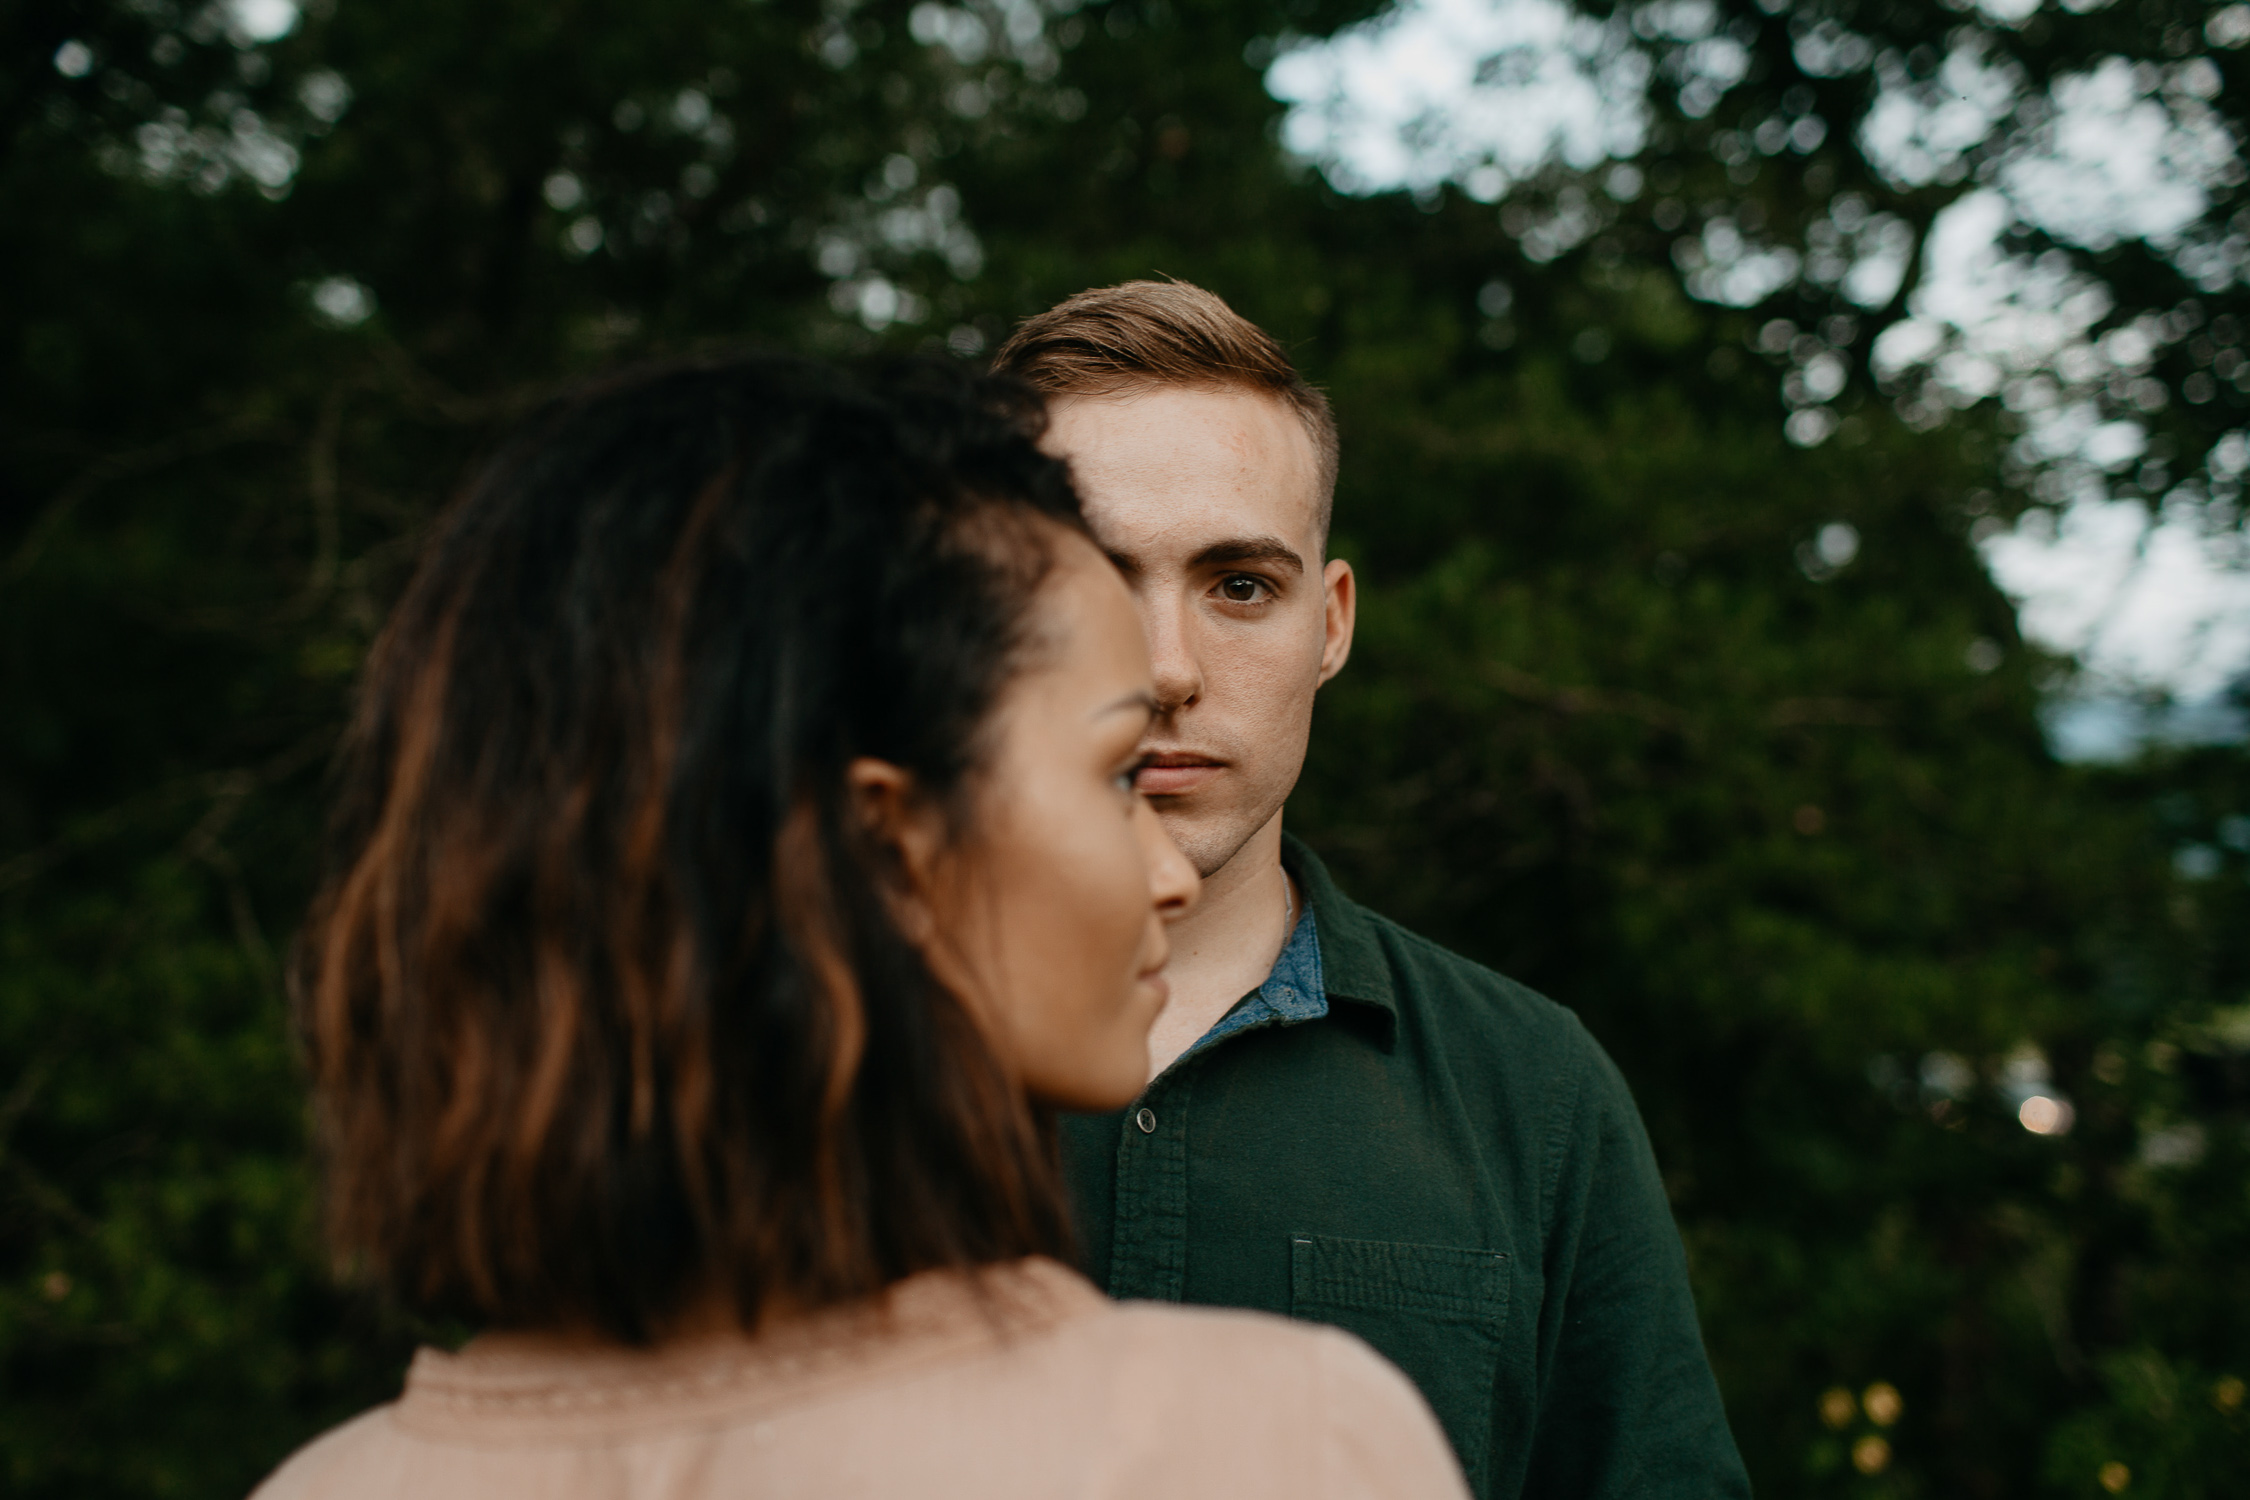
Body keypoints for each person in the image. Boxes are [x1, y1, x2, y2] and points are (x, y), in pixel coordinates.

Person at [253, 354, 1470, 1500]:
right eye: (1111, 773)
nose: (1167, 873)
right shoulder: (1272, 1446)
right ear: (886, 843)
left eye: (1240, 583)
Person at [993, 283, 1751, 1500]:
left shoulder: (1534, 1094)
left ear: (1330, 624)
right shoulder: (803, 1059)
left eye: (1239, 585)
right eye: (1088, 579)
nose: (1167, 670)